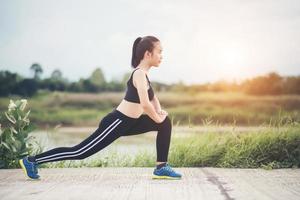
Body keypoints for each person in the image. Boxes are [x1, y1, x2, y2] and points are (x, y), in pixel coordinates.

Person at [19, 35, 182, 180]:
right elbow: (145, 104)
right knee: (79, 152)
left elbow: (153, 99)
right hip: (116, 122)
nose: (162, 56)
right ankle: (32, 161)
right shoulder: (138, 74)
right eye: (159, 52)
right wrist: (157, 116)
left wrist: (160, 113)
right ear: (148, 54)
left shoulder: (145, 76)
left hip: (131, 123)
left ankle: (161, 167)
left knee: (164, 123)